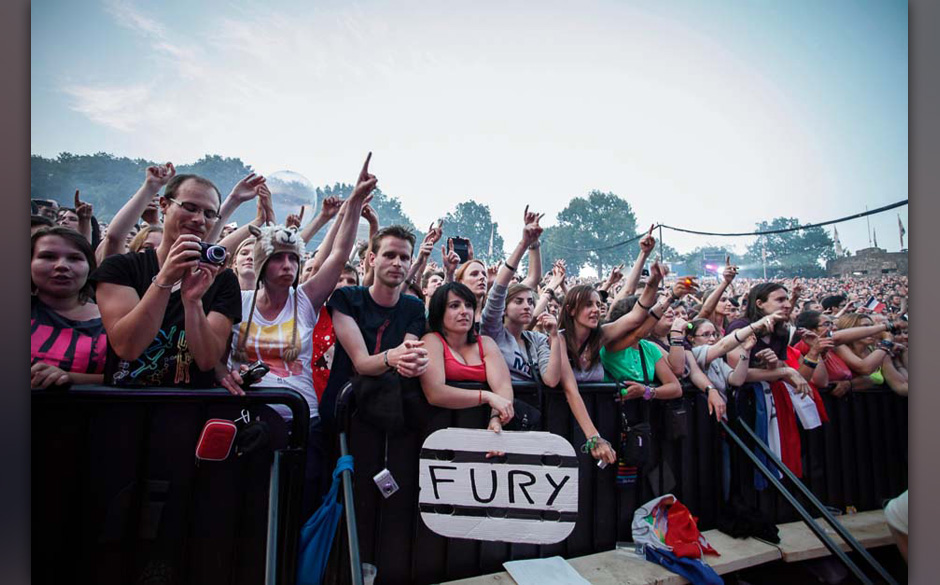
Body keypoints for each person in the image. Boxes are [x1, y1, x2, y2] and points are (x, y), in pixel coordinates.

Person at [90, 170, 242, 388]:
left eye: (209, 214)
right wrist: (166, 278)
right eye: (189, 208)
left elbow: (207, 360)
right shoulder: (121, 268)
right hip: (123, 405)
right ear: (164, 205)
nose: (199, 219)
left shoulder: (220, 278)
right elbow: (128, 347)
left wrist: (193, 303)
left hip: (189, 409)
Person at [320, 223, 430, 427]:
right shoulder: (346, 299)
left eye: (404, 257)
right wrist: (393, 357)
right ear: (372, 259)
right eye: (389, 255)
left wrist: (416, 363)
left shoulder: (414, 308)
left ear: (410, 263)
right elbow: (362, 363)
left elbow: (406, 356)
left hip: (392, 414)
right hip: (344, 414)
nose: (397, 263)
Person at [420, 283, 515, 432]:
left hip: (485, 429)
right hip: (441, 432)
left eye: (469, 305)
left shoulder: (486, 343)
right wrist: (486, 396)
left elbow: (503, 388)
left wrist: (496, 418)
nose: (464, 311)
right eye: (454, 306)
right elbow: (435, 393)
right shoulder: (431, 341)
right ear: (439, 311)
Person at [31, 226, 107, 388]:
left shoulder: (114, 320)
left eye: (74, 258)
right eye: (48, 256)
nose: (61, 266)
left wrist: (70, 378)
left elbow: (133, 377)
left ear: (90, 267)